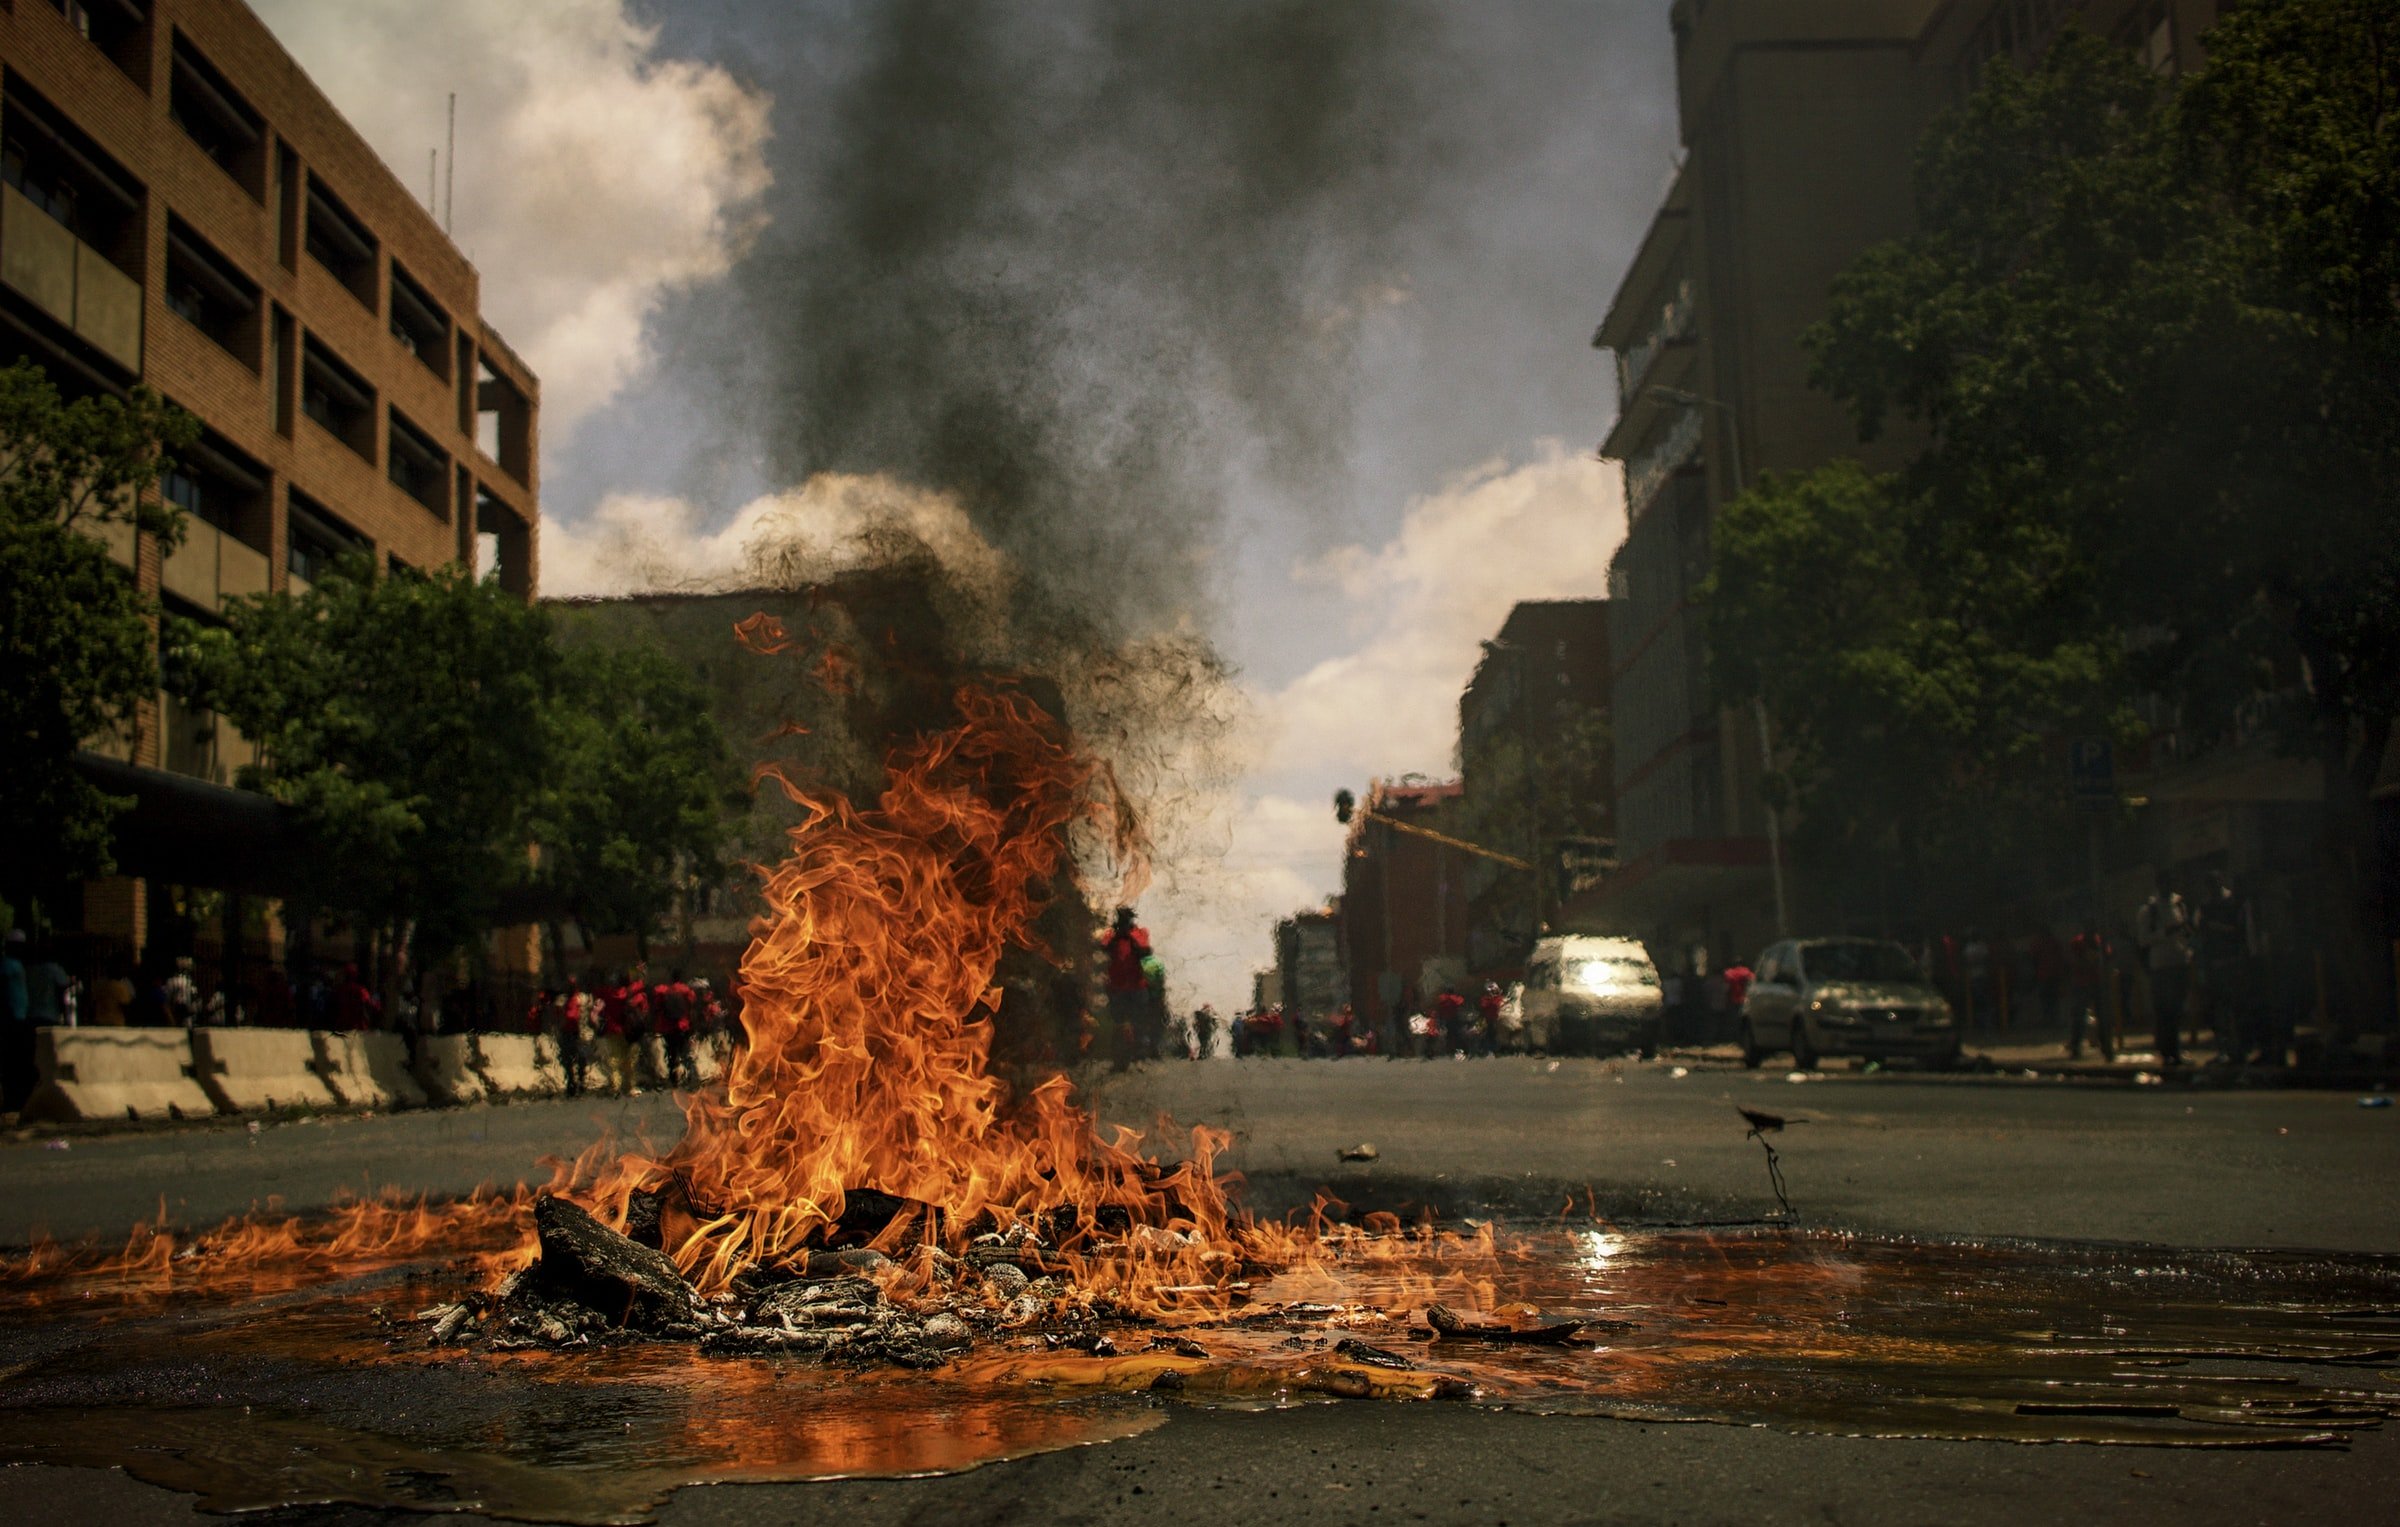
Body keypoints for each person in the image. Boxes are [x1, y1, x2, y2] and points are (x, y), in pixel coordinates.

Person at [2134, 876, 2193, 1066]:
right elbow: (2143, 940)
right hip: (2161, 965)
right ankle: (2167, 1050)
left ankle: (2174, 1049)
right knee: (2165, 1010)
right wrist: (2164, 932)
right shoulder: (2149, 911)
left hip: (2179, 961)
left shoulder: (2179, 905)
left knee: (2177, 1009)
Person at [2194, 873, 2251, 1062]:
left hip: (2231, 961)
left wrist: (2216, 927)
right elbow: (2200, 932)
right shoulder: (2206, 906)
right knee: (2220, 1008)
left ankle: (2237, 1047)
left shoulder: (2232, 903)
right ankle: (2225, 1046)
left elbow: (2239, 931)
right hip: (2216, 963)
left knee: (2234, 1006)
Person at [1100, 907, 1150, 1071]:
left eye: (1126, 919)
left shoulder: (1139, 932)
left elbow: (1145, 951)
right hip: (1117, 986)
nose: (1124, 922)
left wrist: (1129, 935)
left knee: (1138, 1023)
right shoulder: (1111, 935)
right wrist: (1116, 936)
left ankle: (1139, 1058)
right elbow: (1102, 946)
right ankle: (1119, 1060)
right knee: (1119, 1023)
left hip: (1137, 986)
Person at [2066, 923, 2115, 1060]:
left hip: (2097, 982)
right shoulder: (2078, 943)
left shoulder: (2100, 942)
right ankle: (2076, 1047)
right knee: (2079, 1017)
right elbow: (2073, 961)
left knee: (2102, 1016)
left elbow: (2108, 957)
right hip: (2082, 983)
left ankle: (2106, 1046)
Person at [2, 929, 32, 1113]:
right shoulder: (8, 965)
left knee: (19, 1062)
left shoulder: (18, 965)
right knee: (13, 1062)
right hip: (12, 1020)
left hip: (20, 1018)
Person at [332, 963, 383, 1032]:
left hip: (342, 1028)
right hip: (358, 1029)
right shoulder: (361, 991)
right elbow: (373, 1006)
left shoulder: (339, 990)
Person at [1476, 983, 1505, 1057]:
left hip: (1497, 1019)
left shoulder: (1499, 998)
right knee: (1488, 1034)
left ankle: (1494, 1050)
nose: (1493, 993)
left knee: (1494, 1035)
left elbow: (1500, 1004)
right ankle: (1487, 1050)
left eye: (1494, 991)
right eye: (1491, 991)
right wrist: (1491, 999)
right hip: (1488, 1019)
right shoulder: (1485, 999)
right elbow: (1483, 1005)